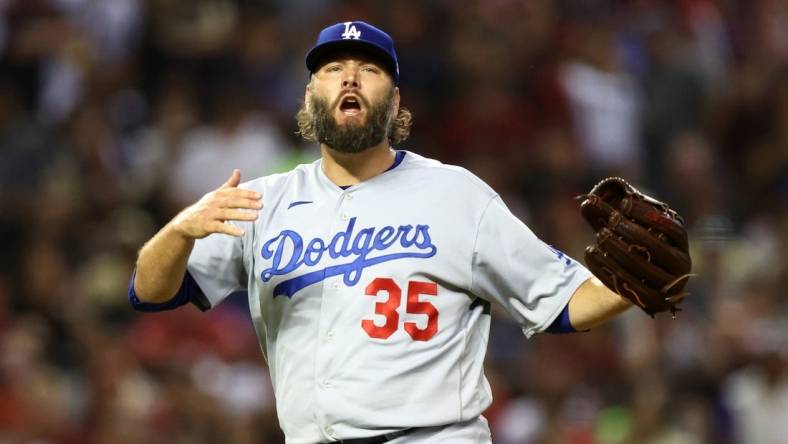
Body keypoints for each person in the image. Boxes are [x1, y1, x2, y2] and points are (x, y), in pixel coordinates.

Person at [129, 21, 633, 444]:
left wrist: (635, 283)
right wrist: (178, 231)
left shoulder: (457, 195)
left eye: (368, 70)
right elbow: (152, 293)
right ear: (309, 97)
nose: (349, 80)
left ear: (394, 102)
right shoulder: (264, 202)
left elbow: (563, 302)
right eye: (333, 70)